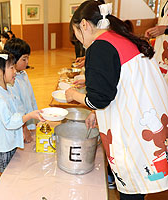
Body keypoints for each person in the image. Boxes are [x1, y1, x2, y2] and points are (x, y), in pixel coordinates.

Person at [65, 1, 168, 199]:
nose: (79, 40)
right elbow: (119, 85)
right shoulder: (118, 38)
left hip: (134, 132)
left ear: (84, 25)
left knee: (132, 190)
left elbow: (99, 99)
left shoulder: (99, 47)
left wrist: (74, 96)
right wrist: (96, 113)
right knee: (139, 188)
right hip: (145, 119)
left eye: (77, 33)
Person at [0, 51, 44, 181]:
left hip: (6, 140)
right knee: (4, 175)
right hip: (0, 144)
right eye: (11, 68)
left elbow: (15, 109)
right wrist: (29, 116)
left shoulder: (6, 89)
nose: (15, 71)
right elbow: (9, 122)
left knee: (7, 173)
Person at [4, 38, 38, 143]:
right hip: (20, 125)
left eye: (28, 58)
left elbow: (30, 97)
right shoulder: (11, 82)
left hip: (29, 119)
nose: (27, 62)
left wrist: (34, 119)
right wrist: (24, 129)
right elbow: (17, 108)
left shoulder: (23, 74)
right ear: (13, 60)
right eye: (24, 59)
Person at [145, 0, 168, 78]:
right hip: (160, 56)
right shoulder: (163, 2)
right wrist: (155, 32)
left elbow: (165, 29)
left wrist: (165, 29)